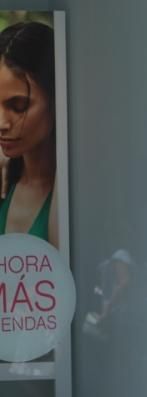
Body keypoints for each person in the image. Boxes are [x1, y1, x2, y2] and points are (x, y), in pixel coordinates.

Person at [0, 21, 57, 248]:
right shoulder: (7, 183)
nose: (2, 123)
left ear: (56, 100)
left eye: (19, 105)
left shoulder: (73, 194)